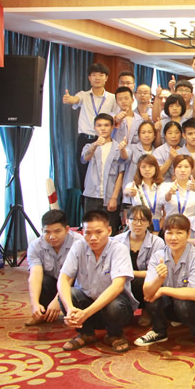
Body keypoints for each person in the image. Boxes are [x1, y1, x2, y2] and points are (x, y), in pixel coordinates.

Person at [134, 214, 195, 350]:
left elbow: (194, 294)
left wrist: (162, 289)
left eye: (179, 233)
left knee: (182, 301)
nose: (173, 238)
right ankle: (159, 331)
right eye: (169, 233)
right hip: (173, 302)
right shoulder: (158, 256)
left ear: (188, 234)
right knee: (153, 294)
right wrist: (159, 279)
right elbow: (147, 293)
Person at [58, 210, 137, 353]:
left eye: (98, 232)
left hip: (114, 308)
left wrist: (86, 313)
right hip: (87, 306)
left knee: (115, 305)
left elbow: (117, 286)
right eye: (87, 233)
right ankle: (86, 334)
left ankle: (115, 335)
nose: (93, 238)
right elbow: (64, 278)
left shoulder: (119, 249)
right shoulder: (78, 246)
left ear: (109, 231)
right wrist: (69, 309)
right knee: (68, 294)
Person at [62, 62, 119, 191]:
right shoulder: (83, 95)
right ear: (89, 78)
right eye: (94, 75)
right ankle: (85, 203)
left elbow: (116, 117)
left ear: (106, 78)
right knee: (84, 175)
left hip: (104, 140)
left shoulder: (112, 98)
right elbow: (75, 100)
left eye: (101, 75)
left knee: (103, 175)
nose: (97, 78)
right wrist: (70, 99)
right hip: (85, 140)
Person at [25, 210, 84, 327]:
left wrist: (59, 300)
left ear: (67, 229)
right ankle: (42, 313)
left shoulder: (79, 243)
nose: (52, 237)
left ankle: (78, 315)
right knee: (43, 281)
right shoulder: (35, 246)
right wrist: (34, 303)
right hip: (54, 282)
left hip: (74, 283)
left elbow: (71, 276)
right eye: (47, 232)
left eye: (57, 231)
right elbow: (35, 275)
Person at [114, 205, 164, 323]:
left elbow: (154, 272)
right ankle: (123, 310)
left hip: (143, 281)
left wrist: (130, 273)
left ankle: (146, 311)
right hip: (121, 280)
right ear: (127, 221)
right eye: (134, 219)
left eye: (143, 220)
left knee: (143, 281)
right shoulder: (116, 241)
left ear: (149, 223)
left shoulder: (157, 242)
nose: (138, 224)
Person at [81, 112, 127, 233]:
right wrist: (95, 145)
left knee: (110, 230)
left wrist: (114, 197)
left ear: (112, 127)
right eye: (99, 125)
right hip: (92, 195)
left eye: (106, 125)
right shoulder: (89, 146)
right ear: (95, 128)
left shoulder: (118, 147)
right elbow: (85, 158)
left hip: (110, 196)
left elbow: (121, 174)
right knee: (90, 228)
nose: (103, 128)